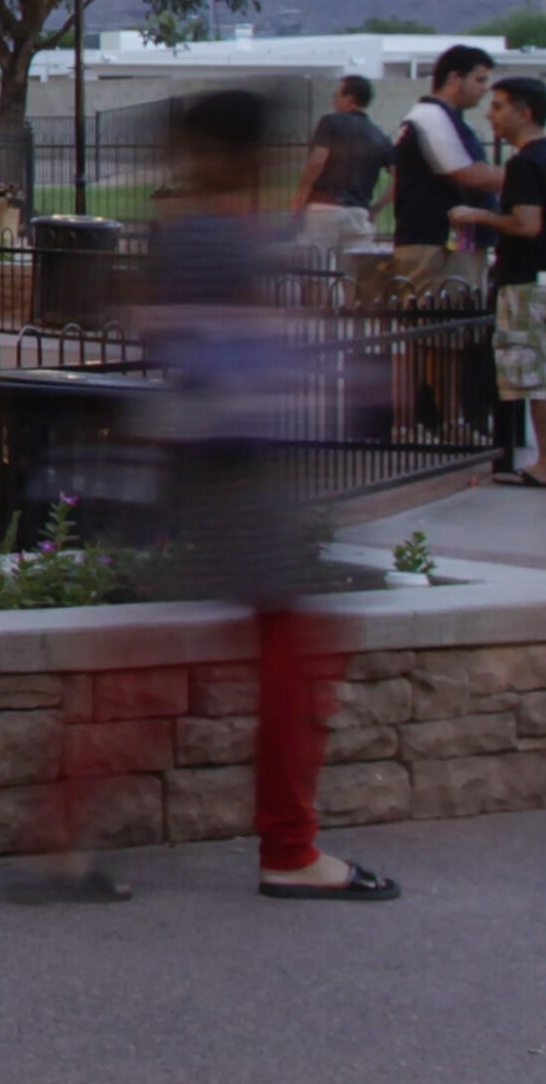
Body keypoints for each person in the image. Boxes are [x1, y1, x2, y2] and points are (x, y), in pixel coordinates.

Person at [21, 90, 398, 905]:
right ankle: (287, 850)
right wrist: (340, 378)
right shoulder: (211, 235)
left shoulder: (200, 228)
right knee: (283, 658)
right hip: (229, 470)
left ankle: (66, 835)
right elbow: (215, 354)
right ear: (246, 153)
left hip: (207, 466)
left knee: (174, 659)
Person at [464, 78, 546, 490]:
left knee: (538, 377)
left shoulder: (524, 164)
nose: (491, 115)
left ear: (526, 113)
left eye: (500, 107)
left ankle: (545, 463)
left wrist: (476, 216)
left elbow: (526, 224)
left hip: (531, 283)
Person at [381, 49, 502, 444]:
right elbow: (469, 174)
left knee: (440, 338)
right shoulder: (431, 117)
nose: (483, 91)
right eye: (480, 80)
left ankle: (439, 421)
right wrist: (533, 173)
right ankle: (425, 424)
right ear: (455, 77)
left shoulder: (441, 119)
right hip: (434, 245)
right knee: (430, 337)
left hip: (444, 243)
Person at [299, 76, 392, 246]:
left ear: (350, 99)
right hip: (358, 212)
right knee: (353, 268)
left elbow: (317, 162)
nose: (335, 100)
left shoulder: (330, 122)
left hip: (324, 208)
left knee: (317, 268)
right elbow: (400, 177)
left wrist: (301, 195)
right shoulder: (380, 136)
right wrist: (376, 208)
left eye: (337, 95)